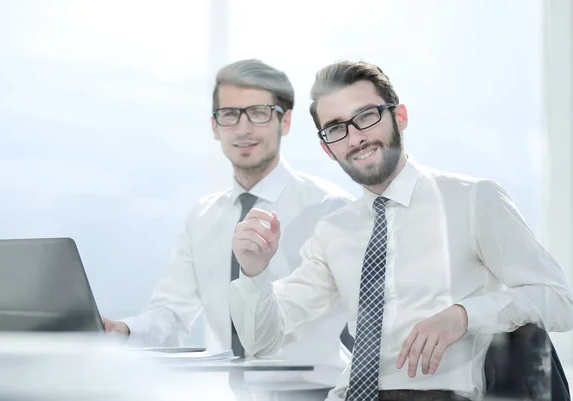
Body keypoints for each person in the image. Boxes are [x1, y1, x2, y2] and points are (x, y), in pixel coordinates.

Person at [229, 60, 573, 401]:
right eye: (336, 129)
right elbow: (263, 341)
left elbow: (559, 300)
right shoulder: (333, 231)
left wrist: (464, 315)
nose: (356, 138)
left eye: (366, 116)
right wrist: (254, 272)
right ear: (327, 148)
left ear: (400, 116)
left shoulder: (473, 200)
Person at [101, 59, 355, 399]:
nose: (243, 128)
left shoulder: (331, 207)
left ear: (286, 120)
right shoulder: (203, 217)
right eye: (230, 114)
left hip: (320, 394)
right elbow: (171, 315)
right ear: (214, 126)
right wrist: (123, 331)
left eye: (259, 113)